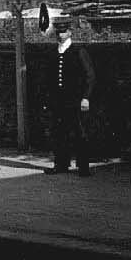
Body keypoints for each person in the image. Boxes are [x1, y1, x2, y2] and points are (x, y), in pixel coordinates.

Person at [45, 23, 95, 176]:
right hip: (58, 101)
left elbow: (90, 76)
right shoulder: (53, 52)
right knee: (59, 133)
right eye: (58, 32)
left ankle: (84, 167)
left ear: (70, 33)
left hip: (75, 100)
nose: (61, 35)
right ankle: (61, 164)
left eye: (64, 32)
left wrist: (86, 97)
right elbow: (49, 79)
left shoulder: (78, 51)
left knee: (80, 132)